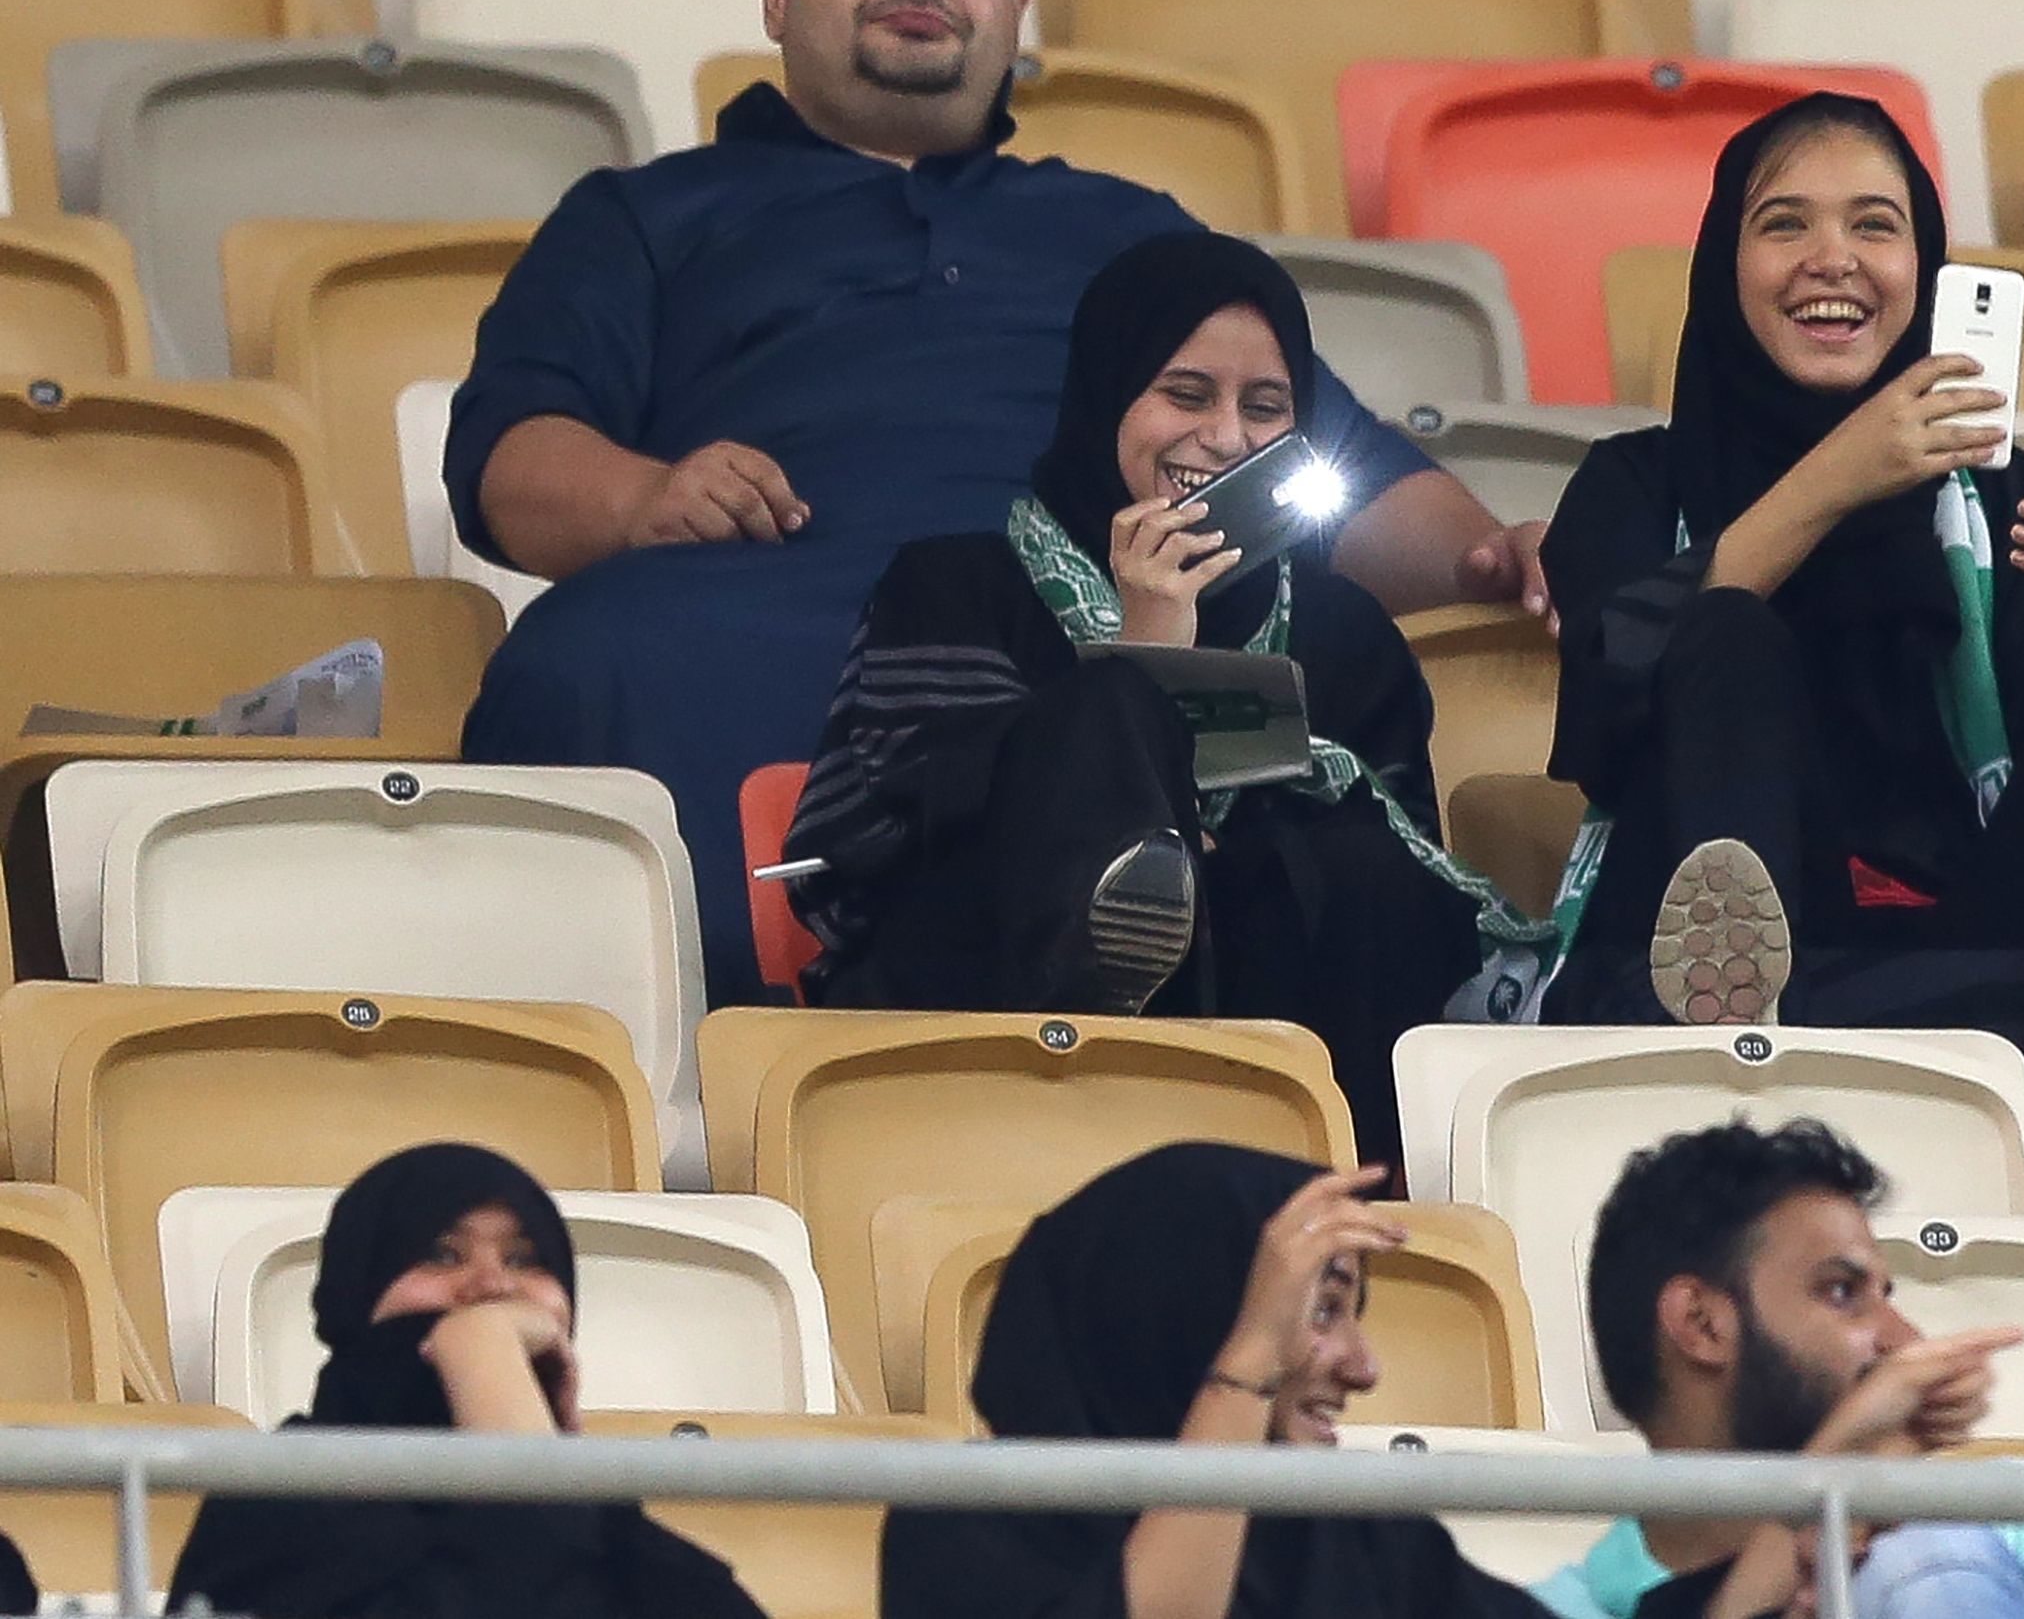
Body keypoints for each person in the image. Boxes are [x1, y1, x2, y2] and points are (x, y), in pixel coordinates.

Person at [444, 0, 1548, 1007]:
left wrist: (1503, 558)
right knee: (581, 658)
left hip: (1069, 604)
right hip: (751, 593)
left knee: (1311, 660)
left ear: (1014, 7)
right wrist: (640, 498)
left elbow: (1327, 462)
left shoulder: (1126, 228)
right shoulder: (647, 214)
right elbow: (508, 459)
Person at [1539, 91, 2024, 1047]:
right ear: (1723, 264)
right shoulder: (1633, 482)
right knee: (1727, 630)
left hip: (1960, 930)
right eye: (1783, 223)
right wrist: (1837, 476)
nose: (1830, 258)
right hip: (1711, 957)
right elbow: (1607, 689)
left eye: (1874, 226)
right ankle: (1739, 1006)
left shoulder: (1992, 490)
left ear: (1922, 271)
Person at [782, 231, 1525, 1142]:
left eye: (1265, 405)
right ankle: (1104, 966)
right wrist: (1146, 651)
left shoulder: (1342, 629)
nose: (1224, 436)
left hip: (1272, 1004)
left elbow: (1403, 868)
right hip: (994, 992)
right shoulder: (954, 586)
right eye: (1185, 393)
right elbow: (908, 826)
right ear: (1106, 398)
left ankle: (1339, 1165)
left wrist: (1209, 855)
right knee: (1109, 708)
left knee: (1364, 867)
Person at [879, 1142, 1553, 1619]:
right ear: (1183, 1307)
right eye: (1319, 1310)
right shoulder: (961, 1521)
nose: (1364, 1367)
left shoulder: (1358, 1540)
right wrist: (1250, 1359)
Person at [1533, 1118, 2024, 1619]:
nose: (1905, 1340)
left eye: (1887, 1296)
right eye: (1840, 1293)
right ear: (1701, 1324)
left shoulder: (2017, 1519)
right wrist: (1827, 1489)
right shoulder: (1554, 1610)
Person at [164, 1143, 765, 1619]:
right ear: (357, 1291)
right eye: (442, 1255)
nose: (493, 1288)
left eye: (526, 1259)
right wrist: (484, 1357)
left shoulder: (628, 1545)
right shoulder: (270, 1508)